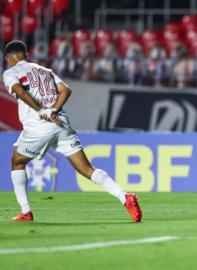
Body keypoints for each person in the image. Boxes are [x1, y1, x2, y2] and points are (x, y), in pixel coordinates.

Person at [2, 40, 142, 222]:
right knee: (86, 168)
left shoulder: (11, 72)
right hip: (60, 122)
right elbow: (66, 90)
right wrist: (53, 109)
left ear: (8, 58)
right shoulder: (45, 71)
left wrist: (40, 110)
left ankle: (26, 212)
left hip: (38, 126)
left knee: (17, 162)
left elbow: (20, 92)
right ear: (26, 55)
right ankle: (126, 197)